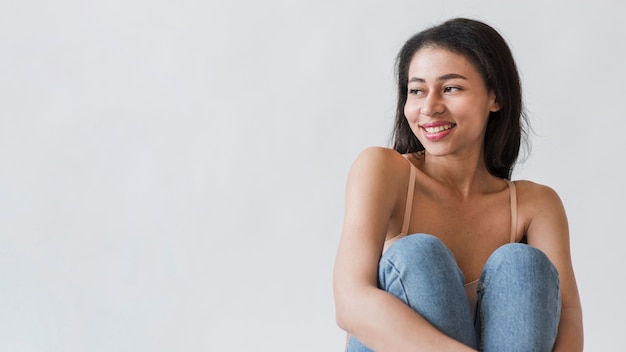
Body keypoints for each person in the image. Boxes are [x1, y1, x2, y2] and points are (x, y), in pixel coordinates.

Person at [332, 18, 583, 351]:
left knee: (523, 265)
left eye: (450, 88)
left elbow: (567, 317)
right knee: (418, 255)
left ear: (496, 97)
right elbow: (350, 302)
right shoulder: (383, 170)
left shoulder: (535, 205)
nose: (430, 107)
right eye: (417, 90)